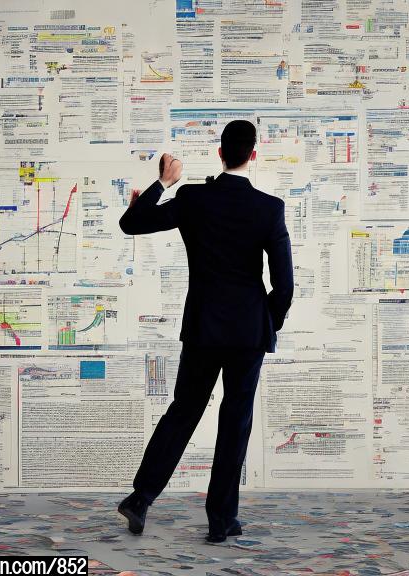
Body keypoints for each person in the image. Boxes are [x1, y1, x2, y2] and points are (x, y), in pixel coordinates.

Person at [116, 120, 293, 543]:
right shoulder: (269, 208)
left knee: (183, 411)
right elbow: (284, 285)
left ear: (220, 153)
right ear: (253, 154)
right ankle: (220, 520)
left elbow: (132, 224)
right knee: (235, 422)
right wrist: (268, 320)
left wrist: (162, 182)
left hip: (203, 327)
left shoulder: (193, 197)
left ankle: (140, 498)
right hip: (248, 331)